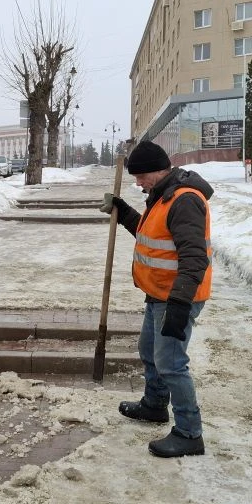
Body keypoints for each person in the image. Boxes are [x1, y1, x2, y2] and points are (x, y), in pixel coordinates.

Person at [100, 140, 213, 458]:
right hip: (159, 293)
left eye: (141, 176)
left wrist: (180, 303)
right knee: (149, 351)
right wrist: (124, 212)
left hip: (177, 296)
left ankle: (190, 433)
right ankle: (154, 405)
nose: (138, 183)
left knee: (171, 364)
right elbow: (152, 234)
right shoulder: (162, 195)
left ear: (158, 170)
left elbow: (194, 257)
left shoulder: (184, 200)